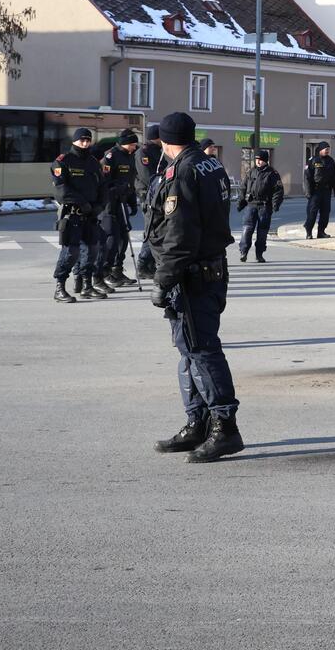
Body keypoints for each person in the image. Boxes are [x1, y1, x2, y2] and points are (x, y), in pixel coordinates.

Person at [147, 111, 244, 462]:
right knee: (189, 351)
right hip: (207, 269)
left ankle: (224, 428)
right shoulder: (208, 164)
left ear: (164, 141)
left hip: (192, 274)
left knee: (201, 350)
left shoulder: (182, 171)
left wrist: (163, 279)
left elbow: (181, 235)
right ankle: (198, 422)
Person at [51, 127, 108, 302]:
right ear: (74, 141)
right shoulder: (63, 161)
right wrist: (81, 202)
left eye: (87, 140)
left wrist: (99, 206)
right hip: (72, 214)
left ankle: (86, 285)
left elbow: (102, 187)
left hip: (90, 215)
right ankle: (60, 287)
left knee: (92, 250)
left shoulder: (93, 162)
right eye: (81, 140)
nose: (84, 143)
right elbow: (61, 190)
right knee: (71, 252)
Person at [98, 129, 142, 288]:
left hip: (122, 201)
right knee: (112, 237)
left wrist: (131, 200)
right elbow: (104, 182)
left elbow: (130, 180)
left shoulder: (130, 157)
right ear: (125, 143)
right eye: (132, 144)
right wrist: (117, 188)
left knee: (124, 237)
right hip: (110, 203)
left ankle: (117, 269)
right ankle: (105, 270)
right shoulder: (111, 156)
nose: (135, 147)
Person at [236, 149, 285, 263]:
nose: (258, 162)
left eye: (261, 160)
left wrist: (275, 205)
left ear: (266, 160)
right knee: (247, 229)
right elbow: (243, 188)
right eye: (257, 159)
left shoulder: (272, 173)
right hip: (251, 205)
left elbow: (278, 191)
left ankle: (259, 254)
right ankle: (244, 251)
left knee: (262, 232)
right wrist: (240, 202)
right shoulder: (251, 172)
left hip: (264, 206)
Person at [135, 123, 164, 281]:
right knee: (151, 230)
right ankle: (143, 264)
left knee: (157, 230)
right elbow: (148, 177)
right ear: (156, 137)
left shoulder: (158, 152)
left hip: (157, 196)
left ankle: (149, 264)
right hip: (148, 196)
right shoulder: (144, 152)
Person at [303, 143, 335, 237]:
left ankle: (321, 232)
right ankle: (308, 231)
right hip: (315, 191)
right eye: (326, 149)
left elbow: (334, 176)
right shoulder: (313, 160)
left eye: (328, 149)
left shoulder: (330, 160)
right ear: (320, 149)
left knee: (325, 212)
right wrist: (308, 191)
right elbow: (307, 177)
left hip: (326, 190)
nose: (327, 151)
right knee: (312, 212)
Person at [198, 140, 232, 213]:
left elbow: (225, 178)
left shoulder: (216, 162)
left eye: (214, 147)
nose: (213, 149)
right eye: (210, 147)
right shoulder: (199, 164)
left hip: (220, 200)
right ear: (203, 149)